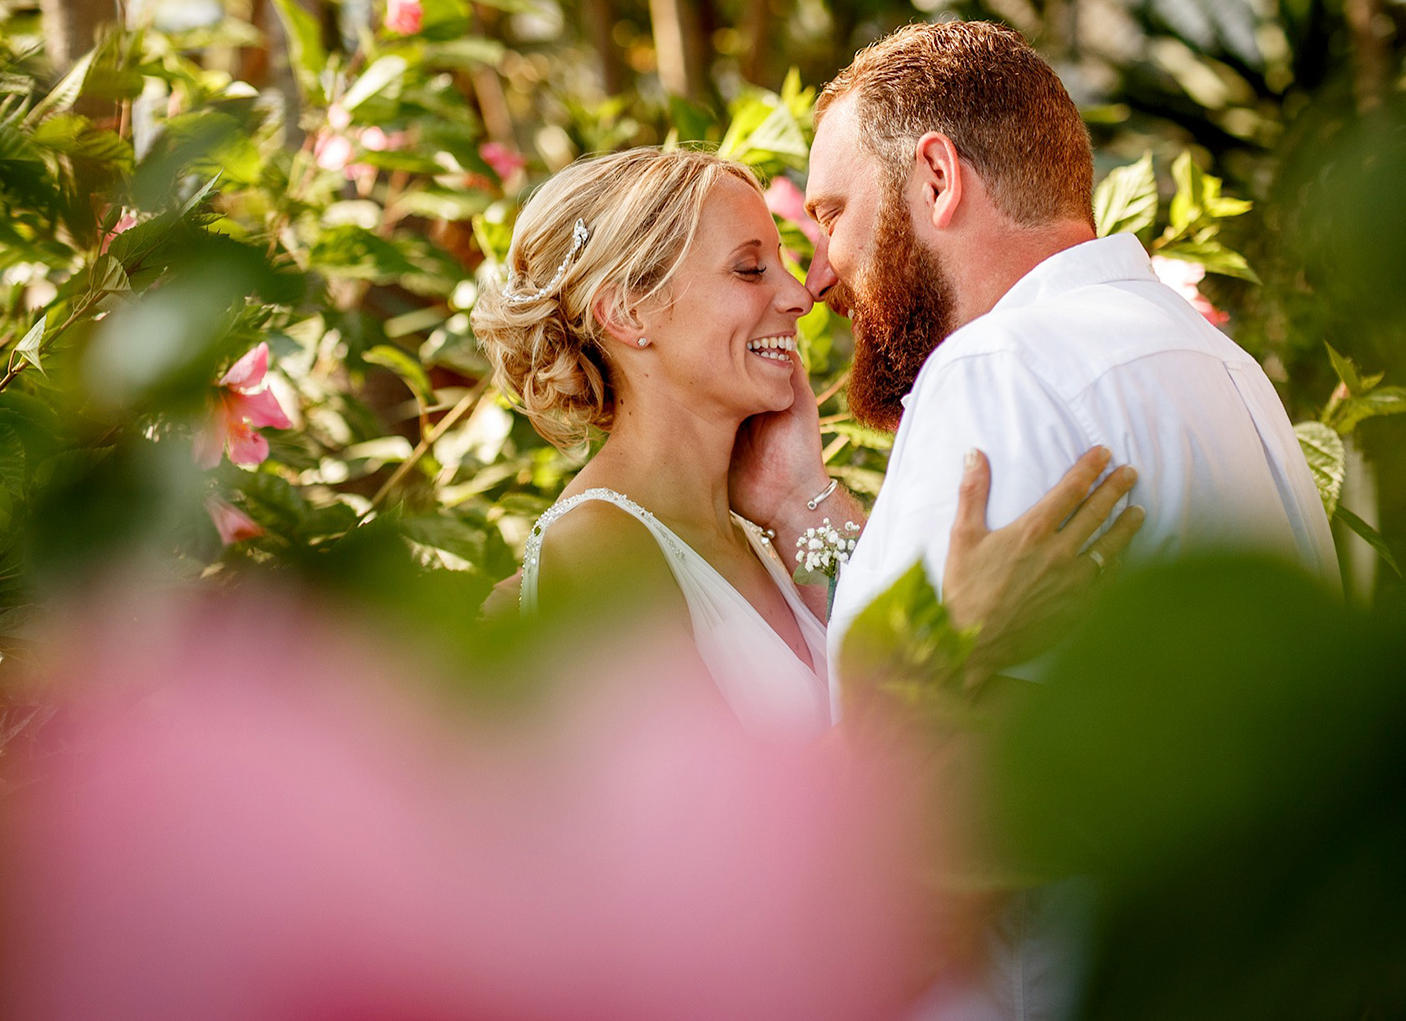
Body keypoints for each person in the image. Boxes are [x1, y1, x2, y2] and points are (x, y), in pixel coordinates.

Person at [728, 19, 1341, 1021]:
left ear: (935, 176)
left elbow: (927, 825)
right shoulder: (1212, 366)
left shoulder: (996, 369)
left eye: (833, 215)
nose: (822, 271)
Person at [472, 148, 1140, 739]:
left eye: (784, 266)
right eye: (749, 269)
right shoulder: (595, 549)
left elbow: (869, 663)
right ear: (627, 312)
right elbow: (725, 839)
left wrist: (799, 498)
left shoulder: (758, 538)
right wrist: (955, 640)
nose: (799, 296)